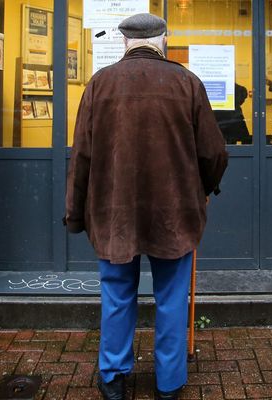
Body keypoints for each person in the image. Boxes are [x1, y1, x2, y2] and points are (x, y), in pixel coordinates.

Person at [64, 13, 228, 400]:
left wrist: (75, 213)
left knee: (117, 293)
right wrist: (203, 189)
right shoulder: (186, 82)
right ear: (163, 40)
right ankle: (168, 382)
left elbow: (82, 156)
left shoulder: (99, 84)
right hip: (175, 212)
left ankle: (114, 377)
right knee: (171, 297)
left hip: (113, 211)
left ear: (125, 42)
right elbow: (213, 152)